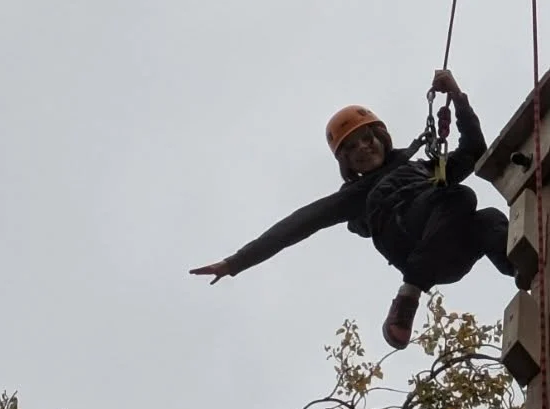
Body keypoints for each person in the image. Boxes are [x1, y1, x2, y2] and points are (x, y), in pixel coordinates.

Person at [191, 69, 512, 348]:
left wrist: (457, 96)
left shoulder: (424, 169)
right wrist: (235, 263)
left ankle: (528, 265)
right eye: (351, 147)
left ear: (380, 137)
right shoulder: (355, 195)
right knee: (461, 197)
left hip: (446, 252)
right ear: (345, 161)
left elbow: (473, 150)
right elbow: (298, 224)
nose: (363, 147)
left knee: (489, 219)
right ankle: (408, 297)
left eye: (367, 137)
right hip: (406, 241)